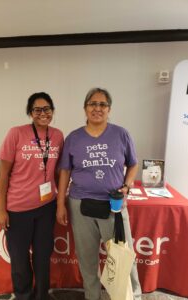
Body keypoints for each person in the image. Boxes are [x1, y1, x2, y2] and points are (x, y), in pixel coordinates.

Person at [56, 88, 142, 300]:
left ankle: (132, 296)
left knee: (122, 256)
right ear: (85, 108)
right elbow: (65, 171)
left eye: (102, 104)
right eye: (92, 104)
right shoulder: (74, 138)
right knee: (87, 259)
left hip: (113, 205)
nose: (97, 108)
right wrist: (60, 204)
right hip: (80, 204)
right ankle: (92, 296)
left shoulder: (121, 134)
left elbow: (133, 164)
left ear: (109, 109)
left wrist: (127, 185)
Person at [0, 92, 64, 300]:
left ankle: (42, 295)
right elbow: (3, 174)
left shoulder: (58, 135)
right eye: (37, 109)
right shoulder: (16, 133)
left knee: (43, 257)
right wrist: (1, 209)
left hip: (46, 207)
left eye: (47, 109)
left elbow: (57, 171)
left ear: (52, 111)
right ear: (30, 113)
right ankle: (23, 295)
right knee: (19, 259)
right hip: (18, 209)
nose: (43, 113)